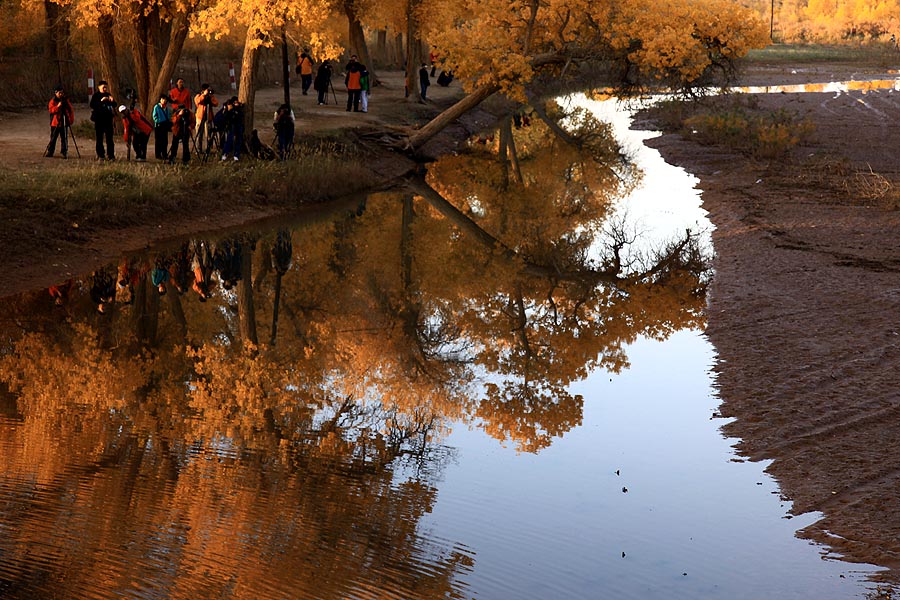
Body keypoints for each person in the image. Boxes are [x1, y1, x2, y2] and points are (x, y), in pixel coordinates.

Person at [90, 80, 116, 160]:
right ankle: (100, 154)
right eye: (103, 87)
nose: (105, 89)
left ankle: (111, 155)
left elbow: (115, 105)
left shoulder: (108, 95)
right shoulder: (96, 96)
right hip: (99, 120)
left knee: (110, 139)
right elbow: (92, 105)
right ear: (99, 87)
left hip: (108, 120)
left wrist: (112, 100)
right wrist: (101, 101)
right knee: (99, 138)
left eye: (106, 87)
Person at [46, 85, 74, 158]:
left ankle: (64, 151)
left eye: (62, 93)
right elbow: (51, 110)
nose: (61, 94)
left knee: (64, 138)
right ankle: (50, 151)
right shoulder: (52, 101)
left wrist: (70, 120)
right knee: (53, 138)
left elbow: (70, 110)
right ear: (56, 93)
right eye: (59, 93)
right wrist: (57, 107)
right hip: (55, 123)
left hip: (64, 122)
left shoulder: (66, 101)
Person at [215, 97, 245, 161]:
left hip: (238, 126)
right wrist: (228, 110)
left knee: (238, 140)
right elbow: (223, 118)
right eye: (235, 103)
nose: (236, 104)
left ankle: (236, 154)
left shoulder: (239, 109)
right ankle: (225, 153)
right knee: (229, 140)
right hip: (230, 126)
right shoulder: (227, 109)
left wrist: (237, 109)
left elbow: (240, 117)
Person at [193, 83, 219, 155]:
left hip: (208, 117)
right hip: (200, 117)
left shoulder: (210, 96)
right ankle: (199, 149)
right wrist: (203, 95)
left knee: (208, 134)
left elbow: (216, 103)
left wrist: (210, 98)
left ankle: (208, 149)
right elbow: (197, 101)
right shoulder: (199, 95)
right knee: (199, 134)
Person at [151, 95, 172, 160]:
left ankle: (164, 154)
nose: (164, 101)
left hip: (165, 125)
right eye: (163, 99)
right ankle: (158, 154)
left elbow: (169, 116)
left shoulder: (167, 108)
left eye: (165, 99)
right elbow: (154, 116)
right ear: (160, 100)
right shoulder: (156, 107)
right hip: (158, 125)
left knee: (165, 141)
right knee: (158, 140)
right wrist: (158, 121)